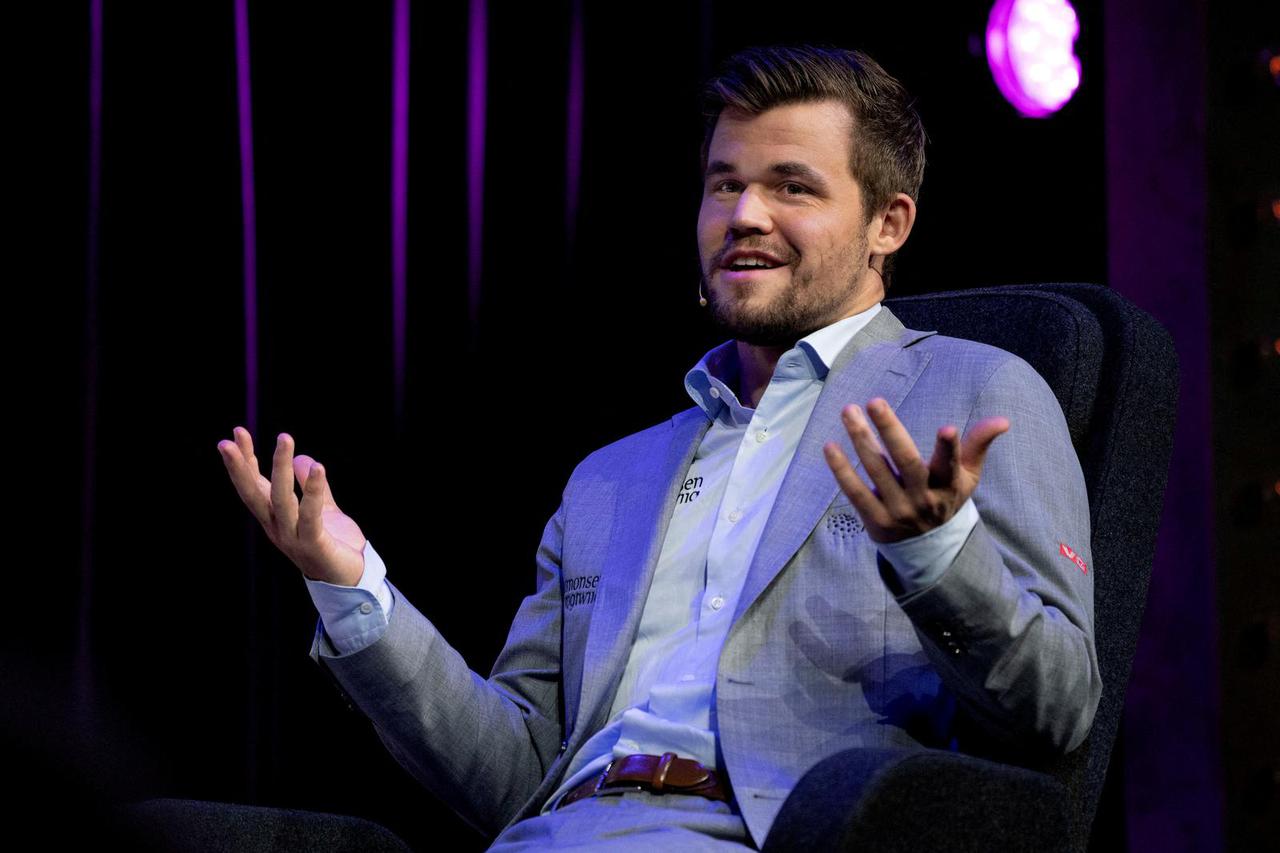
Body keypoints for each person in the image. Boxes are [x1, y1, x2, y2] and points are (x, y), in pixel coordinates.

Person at [218, 45, 1100, 851]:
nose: (744, 215)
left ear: (888, 224)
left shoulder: (975, 393)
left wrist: (934, 551)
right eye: (724, 184)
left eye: (792, 187)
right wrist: (353, 586)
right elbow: (514, 777)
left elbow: (1058, 707)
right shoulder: (610, 478)